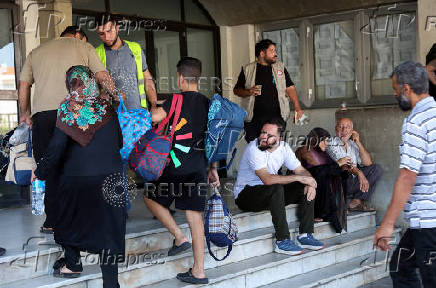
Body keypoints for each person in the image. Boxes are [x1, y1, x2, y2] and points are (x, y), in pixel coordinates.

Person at [19, 25, 121, 234]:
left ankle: (51, 221)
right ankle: (82, 218)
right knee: (76, 163)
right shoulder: (83, 46)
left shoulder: (36, 52)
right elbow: (102, 76)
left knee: (47, 165)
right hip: (76, 112)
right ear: (77, 36)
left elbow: (23, 85)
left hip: (44, 116)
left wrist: (25, 113)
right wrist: (114, 96)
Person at [32, 66, 125, 287]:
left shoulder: (68, 108)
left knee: (65, 214)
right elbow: (119, 143)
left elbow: (55, 149)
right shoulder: (106, 107)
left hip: (78, 180)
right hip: (112, 179)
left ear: (70, 84)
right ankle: (111, 283)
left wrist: (40, 172)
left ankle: (73, 263)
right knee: (108, 232)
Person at [144, 57, 219, 285]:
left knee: (150, 197)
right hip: (198, 167)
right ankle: (199, 271)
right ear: (198, 77)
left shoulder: (174, 100)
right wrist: (212, 168)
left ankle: (178, 236)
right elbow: (213, 139)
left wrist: (143, 109)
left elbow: (153, 118)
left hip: (174, 166)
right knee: (195, 217)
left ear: (180, 78)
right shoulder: (208, 104)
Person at [374, 61, 436, 287]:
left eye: (395, 88)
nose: (394, 93)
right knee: (401, 267)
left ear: (407, 89)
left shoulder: (416, 122)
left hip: (429, 222)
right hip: (426, 221)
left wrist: (388, 224)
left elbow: (408, 176)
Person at [233, 117, 324, 255]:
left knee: (303, 186)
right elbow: (268, 180)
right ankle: (282, 241)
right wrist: (300, 177)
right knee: (276, 187)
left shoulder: (284, 148)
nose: (263, 137)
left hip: (270, 194)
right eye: (263, 132)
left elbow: (300, 170)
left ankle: (305, 235)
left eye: (269, 135)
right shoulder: (254, 148)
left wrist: (309, 182)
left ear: (280, 139)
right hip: (246, 196)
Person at [233, 39, 304, 142]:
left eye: (275, 51)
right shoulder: (248, 69)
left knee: (276, 150)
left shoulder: (280, 67)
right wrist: (249, 92)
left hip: (277, 118)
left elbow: (290, 88)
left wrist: (297, 108)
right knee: (256, 151)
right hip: (254, 121)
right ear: (262, 53)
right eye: (272, 51)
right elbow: (237, 90)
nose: (275, 54)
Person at [96, 13, 158, 111]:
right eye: (101, 33)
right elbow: (94, 88)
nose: (106, 37)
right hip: (110, 116)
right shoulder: (96, 54)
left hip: (138, 113)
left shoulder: (135, 48)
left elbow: (147, 79)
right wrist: (109, 94)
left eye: (109, 31)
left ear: (117, 28)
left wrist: (154, 105)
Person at [295, 128, 346, 233]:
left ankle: (332, 213)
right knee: (321, 175)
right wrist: (338, 164)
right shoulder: (305, 150)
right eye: (325, 141)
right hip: (300, 186)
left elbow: (333, 169)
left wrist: (344, 167)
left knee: (343, 174)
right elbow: (316, 171)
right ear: (317, 140)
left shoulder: (323, 153)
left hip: (317, 186)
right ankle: (322, 213)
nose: (327, 144)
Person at [326, 118, 383, 212]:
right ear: (336, 129)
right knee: (344, 170)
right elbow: (344, 164)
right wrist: (359, 173)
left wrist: (358, 143)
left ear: (352, 131)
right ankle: (341, 203)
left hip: (353, 181)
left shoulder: (352, 143)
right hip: (338, 183)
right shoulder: (331, 143)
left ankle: (356, 201)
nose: (344, 130)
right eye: (341, 127)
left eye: (347, 127)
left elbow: (368, 163)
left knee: (376, 169)